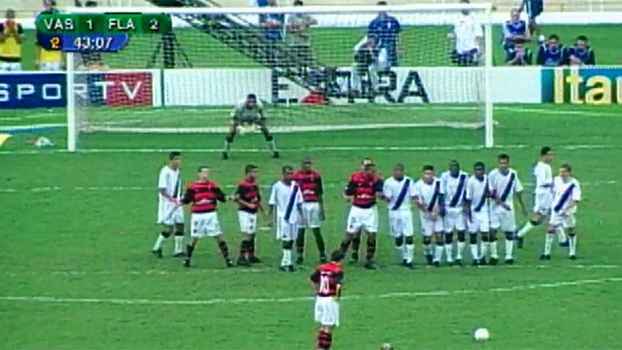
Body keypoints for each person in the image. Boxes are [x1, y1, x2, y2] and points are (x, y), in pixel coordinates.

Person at [180, 166, 234, 268]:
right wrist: (180, 201)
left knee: (218, 236)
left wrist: (230, 197)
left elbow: (222, 197)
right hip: (197, 215)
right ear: (199, 174)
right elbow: (186, 200)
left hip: (211, 215)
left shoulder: (212, 186)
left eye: (207, 173)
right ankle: (187, 259)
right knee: (194, 237)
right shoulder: (193, 187)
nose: (206, 175)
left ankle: (228, 259)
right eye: (204, 173)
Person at [516, 147, 567, 247]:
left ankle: (520, 234)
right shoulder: (543, 167)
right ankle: (563, 240)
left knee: (545, 217)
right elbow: (544, 182)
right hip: (544, 195)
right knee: (548, 216)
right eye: (550, 155)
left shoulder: (542, 166)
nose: (552, 157)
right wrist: (554, 183)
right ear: (544, 155)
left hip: (545, 195)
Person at [340, 161, 383, 269]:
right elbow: (347, 192)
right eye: (371, 171)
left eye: (374, 171)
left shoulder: (376, 179)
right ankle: (338, 258)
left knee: (372, 235)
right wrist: (345, 196)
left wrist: (381, 192)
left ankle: (369, 260)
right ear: (365, 170)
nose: (373, 173)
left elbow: (380, 194)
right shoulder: (356, 179)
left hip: (370, 210)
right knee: (349, 235)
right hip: (357, 210)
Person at [488, 154, 528, 265]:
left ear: (508, 163)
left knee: (509, 231)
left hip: (509, 206)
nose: (503, 165)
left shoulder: (513, 174)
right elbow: (490, 192)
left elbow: (518, 192)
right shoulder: (493, 174)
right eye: (501, 163)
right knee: (493, 230)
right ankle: (493, 255)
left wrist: (523, 207)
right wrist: (500, 203)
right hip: (494, 207)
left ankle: (508, 256)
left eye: (505, 163)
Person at [542, 164, 581, 260]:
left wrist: (568, 207)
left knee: (571, 230)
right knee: (550, 229)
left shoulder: (574, 184)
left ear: (568, 172)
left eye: (564, 172)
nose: (562, 174)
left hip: (568, 212)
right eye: (560, 172)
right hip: (557, 210)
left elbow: (576, 199)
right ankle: (546, 253)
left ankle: (572, 252)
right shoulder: (556, 180)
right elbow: (553, 191)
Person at [269, 166, 304, 271]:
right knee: (286, 240)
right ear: (283, 174)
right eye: (288, 174)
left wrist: (301, 215)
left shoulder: (296, 186)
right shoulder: (277, 186)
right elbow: (272, 202)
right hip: (283, 217)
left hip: (294, 216)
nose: (290, 176)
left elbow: (299, 201)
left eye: (291, 173)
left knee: (292, 239)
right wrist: (270, 217)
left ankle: (287, 262)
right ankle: (286, 263)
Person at [223, 93, 279, 160]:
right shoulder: (240, 105)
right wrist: (240, 126)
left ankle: (274, 151)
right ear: (247, 101)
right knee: (231, 132)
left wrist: (260, 125)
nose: (251, 104)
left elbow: (263, 117)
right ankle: (225, 151)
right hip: (241, 117)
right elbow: (235, 117)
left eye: (253, 102)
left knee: (266, 132)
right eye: (250, 102)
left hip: (254, 117)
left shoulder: (259, 105)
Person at [310, 250, 345, 350]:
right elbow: (338, 285)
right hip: (330, 299)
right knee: (329, 325)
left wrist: (316, 290)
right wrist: (337, 296)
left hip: (320, 298)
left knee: (323, 324)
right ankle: (324, 348)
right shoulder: (337, 270)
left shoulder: (322, 267)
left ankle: (319, 347)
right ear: (340, 260)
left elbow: (313, 279)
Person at [294, 157, 327, 264]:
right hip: (301, 204)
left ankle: (322, 254)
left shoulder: (316, 176)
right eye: (305, 164)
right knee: (300, 230)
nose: (308, 166)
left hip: (314, 204)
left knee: (316, 230)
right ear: (301, 165)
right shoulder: (296, 177)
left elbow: (320, 193)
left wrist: (321, 208)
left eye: (309, 164)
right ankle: (299, 255)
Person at [382, 163, 416, 268]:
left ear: (403, 171)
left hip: (406, 211)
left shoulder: (409, 181)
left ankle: (409, 259)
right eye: (396, 171)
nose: (398, 173)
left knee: (409, 235)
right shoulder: (388, 182)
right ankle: (403, 256)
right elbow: (388, 198)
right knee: (398, 237)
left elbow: (414, 195)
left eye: (400, 171)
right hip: (393, 212)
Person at [153, 151, 185, 258]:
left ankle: (178, 250)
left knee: (180, 225)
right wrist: (172, 199)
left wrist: (181, 197)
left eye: (179, 159)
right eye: (176, 159)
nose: (178, 161)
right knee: (169, 228)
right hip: (167, 204)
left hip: (177, 203)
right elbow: (162, 189)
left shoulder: (178, 172)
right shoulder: (165, 172)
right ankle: (157, 247)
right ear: (171, 160)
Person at [413, 165, 445, 266]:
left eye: (430, 174)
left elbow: (442, 198)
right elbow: (418, 202)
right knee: (427, 237)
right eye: (426, 174)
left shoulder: (439, 183)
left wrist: (437, 211)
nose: (428, 176)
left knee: (439, 235)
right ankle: (428, 254)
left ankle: (437, 260)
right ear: (422, 174)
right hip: (425, 215)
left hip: (437, 213)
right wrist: (427, 212)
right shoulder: (417, 185)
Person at [235, 164, 265, 266]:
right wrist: (248, 205)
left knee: (252, 234)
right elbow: (237, 198)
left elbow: (258, 198)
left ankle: (251, 255)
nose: (256, 174)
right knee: (247, 234)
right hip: (244, 212)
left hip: (253, 212)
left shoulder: (254, 185)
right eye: (254, 172)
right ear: (248, 173)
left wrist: (262, 211)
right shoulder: (243, 185)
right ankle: (241, 257)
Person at [464, 162, 492, 266]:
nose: (478, 172)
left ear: (484, 170)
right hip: (473, 211)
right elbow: (468, 198)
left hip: (484, 211)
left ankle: (482, 256)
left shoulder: (487, 179)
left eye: (480, 170)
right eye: (476, 170)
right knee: (473, 235)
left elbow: (491, 192)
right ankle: (475, 258)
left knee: (485, 234)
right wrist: (469, 214)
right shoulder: (471, 181)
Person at [440, 160, 468, 265]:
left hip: (460, 208)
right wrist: (442, 206)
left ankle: (459, 256)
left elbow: (466, 192)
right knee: (448, 233)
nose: (454, 169)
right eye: (452, 167)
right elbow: (441, 192)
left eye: (456, 167)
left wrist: (466, 205)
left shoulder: (464, 177)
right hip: (448, 208)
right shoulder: (444, 176)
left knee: (461, 232)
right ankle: (449, 257)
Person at [367, 1, 401, 70]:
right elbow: (371, 39)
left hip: (391, 49)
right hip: (378, 49)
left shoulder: (393, 20)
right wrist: (371, 51)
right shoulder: (373, 23)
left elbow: (398, 36)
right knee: (379, 66)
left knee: (393, 67)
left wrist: (400, 48)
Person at [449, 0, 483, 67]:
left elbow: (479, 34)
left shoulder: (474, 18)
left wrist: (479, 49)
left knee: (472, 69)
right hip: (460, 50)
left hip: (472, 49)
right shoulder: (456, 18)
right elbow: (453, 33)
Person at [286, 0, 317, 72]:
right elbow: (289, 29)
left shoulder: (306, 16)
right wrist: (297, 31)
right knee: (295, 60)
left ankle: (311, 71)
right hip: (295, 43)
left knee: (309, 59)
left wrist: (306, 23)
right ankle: (297, 71)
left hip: (305, 43)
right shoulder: (291, 17)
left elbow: (315, 21)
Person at [259, 0, 284, 67]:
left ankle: (277, 70)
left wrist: (274, 24)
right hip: (267, 36)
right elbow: (261, 23)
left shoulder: (280, 10)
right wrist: (267, 25)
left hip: (277, 36)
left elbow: (282, 23)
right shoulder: (264, 10)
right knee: (269, 56)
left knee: (278, 55)